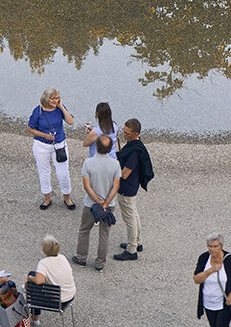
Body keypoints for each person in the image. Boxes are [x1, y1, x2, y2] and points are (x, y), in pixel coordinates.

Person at [72, 135, 120, 271]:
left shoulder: (88, 163)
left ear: (96, 147)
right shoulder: (115, 164)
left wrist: (98, 201)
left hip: (90, 204)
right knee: (104, 233)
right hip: (109, 205)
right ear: (110, 148)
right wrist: (105, 203)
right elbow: (115, 187)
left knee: (84, 230)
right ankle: (100, 263)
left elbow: (87, 186)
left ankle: (81, 257)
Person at [27, 87, 75, 210]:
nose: (54, 100)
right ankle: (47, 199)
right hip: (41, 146)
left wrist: (61, 107)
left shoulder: (60, 109)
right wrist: (45, 136)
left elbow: (70, 121)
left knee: (63, 173)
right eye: (52, 98)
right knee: (44, 172)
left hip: (59, 145)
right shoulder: (38, 111)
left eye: (57, 98)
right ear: (46, 98)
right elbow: (30, 128)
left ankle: (67, 198)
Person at [113, 118, 154, 262]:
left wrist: (114, 166)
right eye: (124, 131)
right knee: (134, 214)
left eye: (127, 133)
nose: (124, 135)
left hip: (126, 188)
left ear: (135, 133)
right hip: (133, 186)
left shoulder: (133, 153)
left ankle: (131, 250)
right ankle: (138, 242)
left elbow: (124, 174)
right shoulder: (136, 146)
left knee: (129, 219)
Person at [194, 233, 231, 327]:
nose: (212, 249)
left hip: (224, 301)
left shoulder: (230, 260)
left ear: (221, 246)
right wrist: (211, 270)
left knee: (221, 325)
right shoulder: (203, 258)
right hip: (208, 301)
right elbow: (197, 279)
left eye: (215, 246)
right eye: (210, 246)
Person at [27, 234, 76, 326]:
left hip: (57, 302)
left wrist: (29, 278)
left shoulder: (43, 263)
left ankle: (35, 318)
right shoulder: (62, 257)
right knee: (37, 278)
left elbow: (39, 281)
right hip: (70, 296)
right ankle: (35, 317)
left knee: (33, 283)